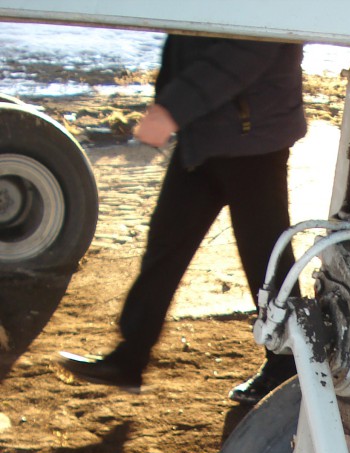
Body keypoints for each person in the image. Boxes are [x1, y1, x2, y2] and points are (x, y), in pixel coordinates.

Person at [60, 34, 305, 405]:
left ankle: (288, 366)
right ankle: (130, 357)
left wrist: (172, 109)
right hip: (205, 130)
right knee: (166, 242)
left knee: (266, 259)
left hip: (253, 137)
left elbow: (248, 48)